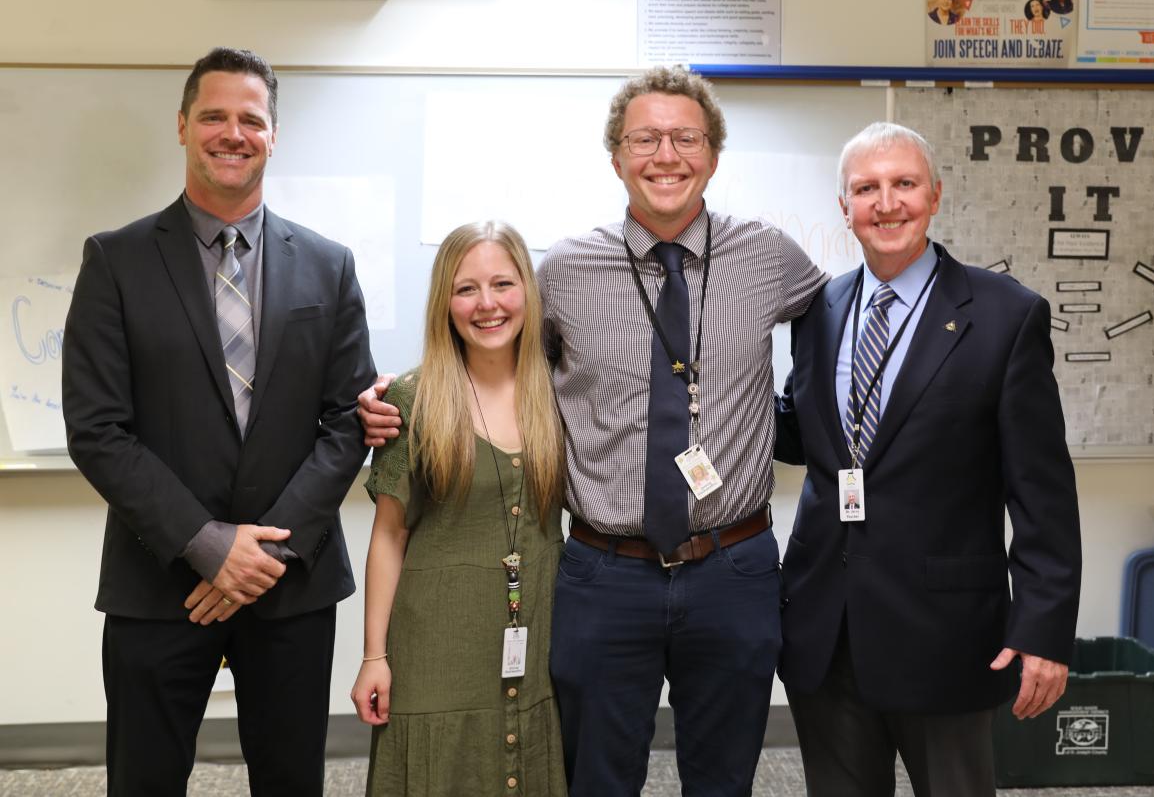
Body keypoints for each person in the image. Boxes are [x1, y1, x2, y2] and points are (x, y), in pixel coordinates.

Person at [360, 66, 828, 796]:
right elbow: (495, 353)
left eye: (685, 137)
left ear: (712, 154)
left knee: (725, 776)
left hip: (734, 566)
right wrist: (398, 392)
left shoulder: (770, 257)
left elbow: (848, 327)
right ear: (616, 157)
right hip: (607, 572)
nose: (665, 154)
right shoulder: (567, 270)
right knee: (597, 778)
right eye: (645, 137)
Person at [62, 47, 375, 796]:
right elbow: (98, 428)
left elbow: (347, 422)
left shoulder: (329, 266)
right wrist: (207, 546)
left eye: (251, 119)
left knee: (291, 780)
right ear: (181, 125)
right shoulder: (116, 260)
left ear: (274, 135)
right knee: (144, 779)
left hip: (290, 583)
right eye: (214, 116)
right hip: (159, 579)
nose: (232, 133)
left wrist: (260, 554)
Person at [774, 121, 1082, 797]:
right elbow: (804, 434)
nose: (887, 202)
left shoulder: (1005, 315)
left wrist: (1045, 629)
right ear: (844, 205)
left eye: (904, 184)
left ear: (935, 195)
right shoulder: (817, 310)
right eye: (867, 188)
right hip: (828, 625)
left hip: (943, 632)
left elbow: (1042, 492)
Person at [349, 221, 567, 796]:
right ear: (445, 301)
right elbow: (389, 536)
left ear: (528, 290)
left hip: (537, 640)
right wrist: (374, 656)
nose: (487, 304)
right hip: (436, 649)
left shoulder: (561, 392)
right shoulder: (411, 399)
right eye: (466, 288)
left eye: (502, 283)